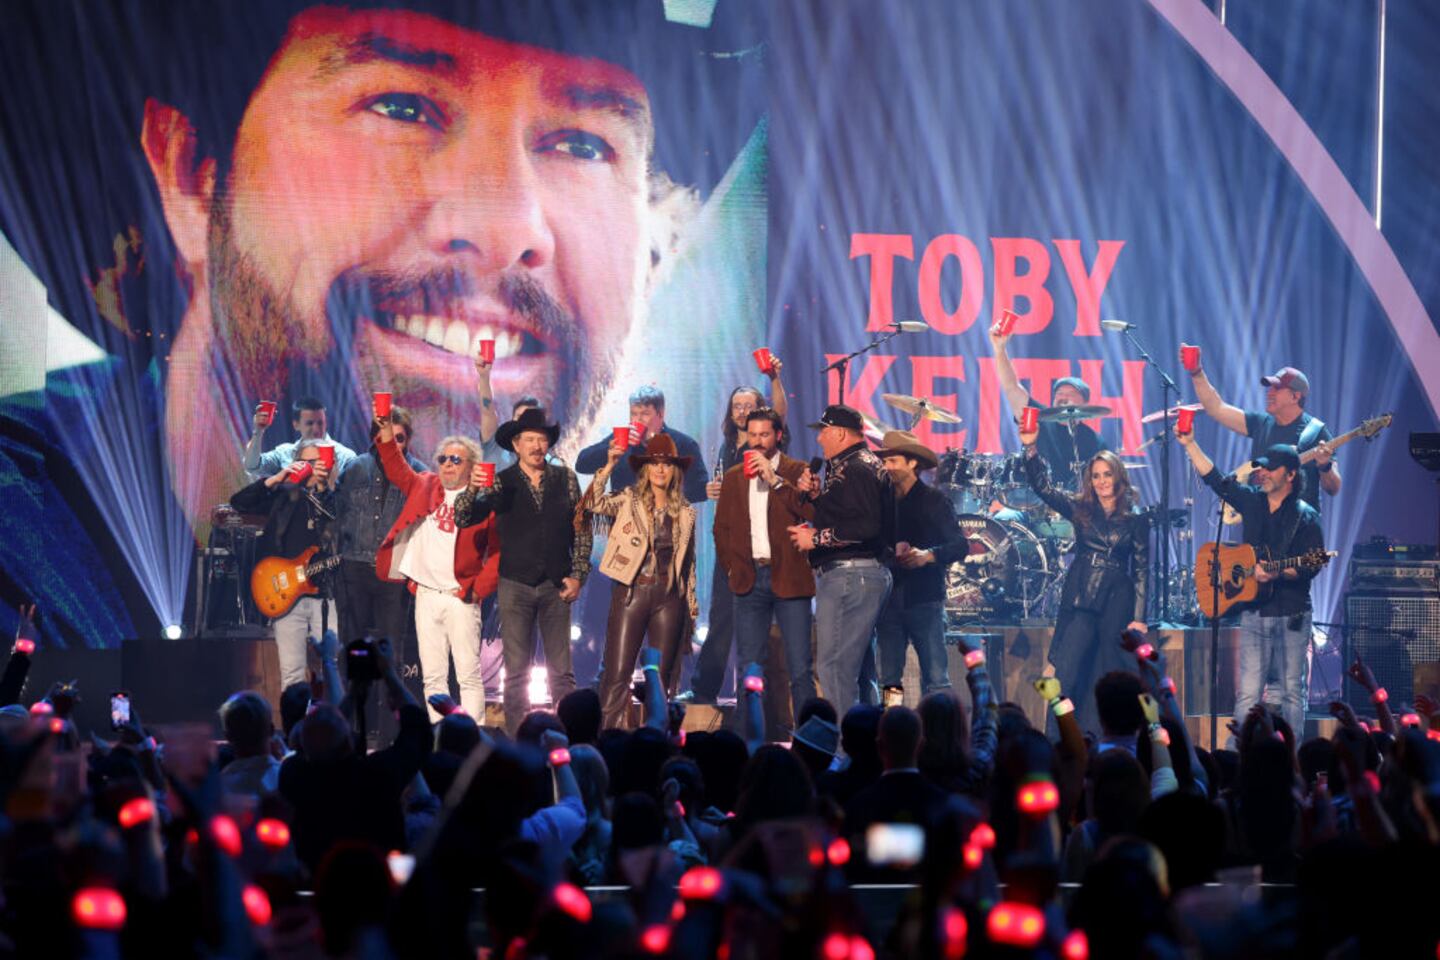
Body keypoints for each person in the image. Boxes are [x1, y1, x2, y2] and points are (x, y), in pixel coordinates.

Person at [1177, 433, 1325, 736]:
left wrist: (1278, 574)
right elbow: (1216, 480)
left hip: (1292, 614)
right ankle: (1237, 758)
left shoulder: (1306, 517)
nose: (1264, 473)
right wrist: (1191, 444)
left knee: (1290, 692)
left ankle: (1290, 761)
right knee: (1247, 694)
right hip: (1254, 612)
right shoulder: (1253, 501)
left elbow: (1311, 565)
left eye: (1271, 468)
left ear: (1291, 474)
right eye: (1263, 468)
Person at [456, 407, 590, 734]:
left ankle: (568, 738)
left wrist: (578, 574)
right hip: (515, 585)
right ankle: (521, 742)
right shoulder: (501, 483)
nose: (536, 446)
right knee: (516, 673)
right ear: (516, 444)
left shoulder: (566, 478)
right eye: (529, 439)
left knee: (562, 673)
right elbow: (463, 518)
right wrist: (472, 488)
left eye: (541, 439)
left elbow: (582, 529)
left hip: (556, 585)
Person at [1019, 418, 1148, 735]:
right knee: (1068, 670)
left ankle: (1099, 738)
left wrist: (1139, 617)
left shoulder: (1135, 520)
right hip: (1083, 595)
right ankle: (1055, 738)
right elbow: (1044, 488)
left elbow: (1144, 570)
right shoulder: (1080, 509)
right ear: (1089, 480)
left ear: (1118, 477)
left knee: (1107, 669)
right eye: (1096, 476)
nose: (1102, 481)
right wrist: (1031, 448)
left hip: (1118, 599)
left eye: (1107, 475)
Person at [374, 416, 499, 721]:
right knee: (433, 677)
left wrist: (477, 590)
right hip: (426, 597)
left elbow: (498, 553)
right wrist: (386, 431)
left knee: (468, 677)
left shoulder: (484, 501)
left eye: (456, 460)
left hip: (460, 598)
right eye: (443, 459)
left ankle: (474, 739)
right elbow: (394, 465)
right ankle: (439, 739)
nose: (447, 465)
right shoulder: (424, 483)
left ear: (471, 467)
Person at [776, 404, 893, 710]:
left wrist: (815, 538)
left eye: (824, 432)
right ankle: (867, 741)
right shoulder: (858, 463)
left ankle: (844, 751)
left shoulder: (856, 468)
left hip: (851, 577)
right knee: (860, 668)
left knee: (835, 668)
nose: (819, 440)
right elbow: (849, 515)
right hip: (863, 575)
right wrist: (817, 497)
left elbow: (866, 526)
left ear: (840, 433)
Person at [581, 433, 700, 729]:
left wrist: (692, 605)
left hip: (669, 596)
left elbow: (689, 565)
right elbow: (593, 503)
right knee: (617, 672)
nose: (660, 470)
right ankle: (609, 737)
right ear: (645, 469)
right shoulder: (629, 500)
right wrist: (608, 465)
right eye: (654, 464)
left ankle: (656, 741)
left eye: (667, 464)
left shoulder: (685, 511)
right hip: (632, 590)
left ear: (676, 470)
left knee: (662, 678)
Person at [704, 408, 816, 716]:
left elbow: (811, 514)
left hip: (790, 578)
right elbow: (721, 530)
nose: (757, 442)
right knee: (749, 668)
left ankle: (810, 740)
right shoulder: (733, 477)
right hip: (748, 579)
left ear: (778, 436)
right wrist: (732, 567)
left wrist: (775, 479)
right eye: (752, 435)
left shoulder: (797, 470)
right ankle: (748, 740)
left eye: (764, 435)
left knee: (800, 667)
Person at [688, 370, 790, 704]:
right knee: (720, 617)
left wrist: (774, 379)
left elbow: (780, 414)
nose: (743, 411)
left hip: (762, 545)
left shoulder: (763, 442)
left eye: (749, 405)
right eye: (737, 406)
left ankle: (759, 696)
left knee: (760, 626)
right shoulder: (726, 447)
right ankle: (705, 690)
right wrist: (711, 490)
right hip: (730, 547)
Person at [228, 438, 339, 691]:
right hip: (286, 593)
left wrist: (323, 488)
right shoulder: (282, 496)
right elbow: (239, 502)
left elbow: (340, 525)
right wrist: (275, 478)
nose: (310, 467)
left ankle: (331, 726)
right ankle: (296, 727)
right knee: (292, 674)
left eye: (316, 461)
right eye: (304, 462)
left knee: (332, 666)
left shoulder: (334, 498)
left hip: (326, 595)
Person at [873, 430, 967, 699]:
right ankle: (892, 733)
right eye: (885, 462)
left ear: (912, 463)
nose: (887, 467)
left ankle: (939, 733)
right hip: (890, 598)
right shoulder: (883, 501)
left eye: (893, 461)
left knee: (936, 678)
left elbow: (959, 545)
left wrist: (927, 555)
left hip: (925, 599)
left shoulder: (934, 500)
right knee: (889, 680)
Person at [1186, 355, 1340, 513]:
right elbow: (1216, 409)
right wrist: (1197, 373)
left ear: (1295, 396)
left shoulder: (1316, 432)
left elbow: (1333, 489)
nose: (1269, 393)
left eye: (1277, 388)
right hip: (1261, 524)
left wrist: (1325, 466)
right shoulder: (1261, 423)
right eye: (1270, 388)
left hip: (1300, 529)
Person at [334, 406, 427, 652]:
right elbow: (337, 512)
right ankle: (355, 691)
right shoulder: (356, 468)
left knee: (391, 649)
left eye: (400, 438)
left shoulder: (418, 473)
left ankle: (389, 692)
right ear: (375, 438)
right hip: (354, 567)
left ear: (408, 440)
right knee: (354, 648)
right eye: (387, 436)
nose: (393, 444)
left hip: (395, 573)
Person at [990, 325, 1108, 487]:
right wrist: (1000, 350)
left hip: (1072, 506)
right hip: (1033, 499)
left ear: (1084, 404)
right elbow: (1011, 387)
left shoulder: (1095, 441)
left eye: (1071, 394)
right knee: (1006, 515)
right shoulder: (1038, 416)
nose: (1063, 397)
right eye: (1059, 393)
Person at [575, 386, 709, 502]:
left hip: (665, 526)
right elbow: (581, 465)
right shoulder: (620, 440)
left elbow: (701, 489)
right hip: (624, 527)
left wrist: (665, 497)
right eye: (633, 414)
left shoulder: (683, 444)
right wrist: (608, 450)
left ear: (661, 414)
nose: (637, 420)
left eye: (645, 414)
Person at [243, 396, 357, 479]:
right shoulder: (285, 453)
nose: (316, 429)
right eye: (310, 423)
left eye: (320, 423)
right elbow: (252, 466)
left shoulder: (344, 456)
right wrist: (258, 431)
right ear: (296, 425)